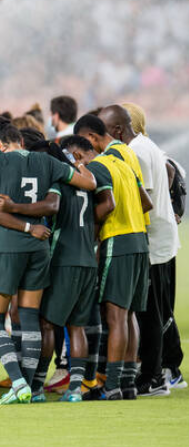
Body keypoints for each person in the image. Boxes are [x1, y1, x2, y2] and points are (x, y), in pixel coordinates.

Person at [0, 117, 97, 404]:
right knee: (29, 318)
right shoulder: (48, 163)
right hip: (39, 247)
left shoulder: (0, 160)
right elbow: (88, 183)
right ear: (22, 140)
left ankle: (17, 382)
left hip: (7, 246)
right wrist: (77, 164)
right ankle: (31, 387)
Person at [0, 137, 99, 403]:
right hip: (89, 258)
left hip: (64, 259)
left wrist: (13, 208)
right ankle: (76, 389)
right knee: (77, 326)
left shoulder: (57, 183)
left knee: (47, 324)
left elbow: (49, 208)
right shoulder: (83, 182)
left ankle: (38, 387)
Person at [68, 115, 153, 400]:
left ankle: (113, 385)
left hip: (119, 241)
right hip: (140, 240)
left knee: (114, 316)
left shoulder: (97, 167)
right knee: (128, 314)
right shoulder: (124, 164)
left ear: (80, 151)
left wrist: (86, 229)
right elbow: (146, 202)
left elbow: (106, 206)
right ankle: (127, 383)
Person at [99, 104, 179, 396]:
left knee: (150, 312)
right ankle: (155, 372)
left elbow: (144, 199)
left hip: (152, 240)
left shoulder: (138, 151)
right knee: (149, 310)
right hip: (158, 236)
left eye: (104, 133)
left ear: (118, 130)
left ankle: (153, 377)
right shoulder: (146, 145)